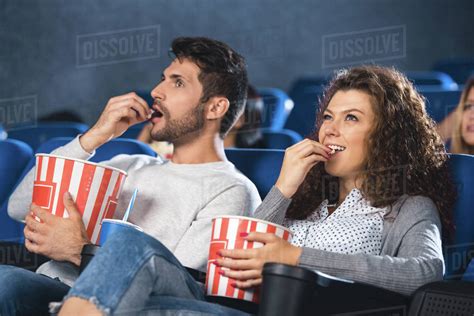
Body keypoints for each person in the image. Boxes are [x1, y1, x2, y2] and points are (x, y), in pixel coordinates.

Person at [58, 65, 456, 315]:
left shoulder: (407, 206)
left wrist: (295, 256)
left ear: (387, 133)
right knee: (130, 248)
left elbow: (424, 273)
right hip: (230, 304)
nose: (330, 128)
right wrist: (284, 188)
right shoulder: (308, 198)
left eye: (351, 118)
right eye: (329, 117)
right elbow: (238, 256)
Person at [0, 37, 261, 316]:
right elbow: (18, 207)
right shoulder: (129, 163)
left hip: (125, 306)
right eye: (162, 79)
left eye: (178, 82)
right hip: (50, 288)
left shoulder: (231, 188)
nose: (156, 92)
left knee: (13, 280)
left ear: (215, 108)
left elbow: (178, 293)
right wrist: (93, 138)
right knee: (6, 279)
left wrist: (80, 251)